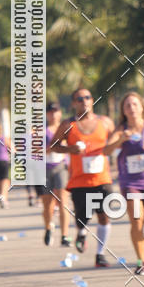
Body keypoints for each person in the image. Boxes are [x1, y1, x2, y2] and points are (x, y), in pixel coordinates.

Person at [51, 88, 115, 267]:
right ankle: (81, 232)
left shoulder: (105, 122)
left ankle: (100, 255)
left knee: (104, 216)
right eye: (79, 99)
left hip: (103, 179)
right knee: (83, 218)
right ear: (73, 103)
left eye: (87, 97)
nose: (84, 101)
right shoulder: (68, 125)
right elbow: (53, 146)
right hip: (79, 181)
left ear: (92, 100)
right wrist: (70, 149)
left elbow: (116, 141)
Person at [105, 93, 144, 275]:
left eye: (135, 104)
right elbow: (105, 150)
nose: (131, 108)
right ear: (123, 111)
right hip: (130, 183)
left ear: (141, 107)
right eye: (127, 105)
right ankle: (141, 262)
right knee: (137, 221)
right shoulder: (121, 129)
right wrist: (121, 139)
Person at [36, 102, 71, 247]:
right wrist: (49, 148)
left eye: (56, 111)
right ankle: (48, 227)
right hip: (44, 169)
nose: (53, 114)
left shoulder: (66, 129)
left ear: (60, 113)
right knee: (48, 205)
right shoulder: (41, 131)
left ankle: (64, 235)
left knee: (63, 201)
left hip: (61, 167)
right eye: (50, 112)